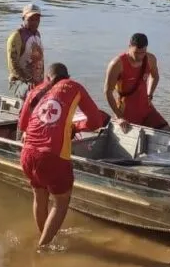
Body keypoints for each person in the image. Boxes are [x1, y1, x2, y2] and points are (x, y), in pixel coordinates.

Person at [17, 62, 107, 249]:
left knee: (39, 197)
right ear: (68, 76)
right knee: (61, 203)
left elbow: (23, 124)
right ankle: (43, 247)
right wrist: (77, 127)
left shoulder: (36, 90)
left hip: (27, 155)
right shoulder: (74, 87)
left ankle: (44, 236)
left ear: (48, 78)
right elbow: (97, 121)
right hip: (53, 157)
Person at [103, 32, 170, 133]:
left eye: (142, 53)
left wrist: (150, 94)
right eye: (136, 53)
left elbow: (155, 76)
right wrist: (119, 117)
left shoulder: (150, 59)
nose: (140, 56)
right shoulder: (117, 64)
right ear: (129, 46)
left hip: (146, 109)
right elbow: (107, 92)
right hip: (126, 112)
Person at [6, 3, 44, 99]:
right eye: (31, 19)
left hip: (36, 80)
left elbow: (39, 60)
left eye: (37, 19)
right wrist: (28, 80)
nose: (35, 22)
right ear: (23, 18)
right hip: (20, 82)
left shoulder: (37, 34)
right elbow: (13, 65)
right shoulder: (16, 36)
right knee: (34, 94)